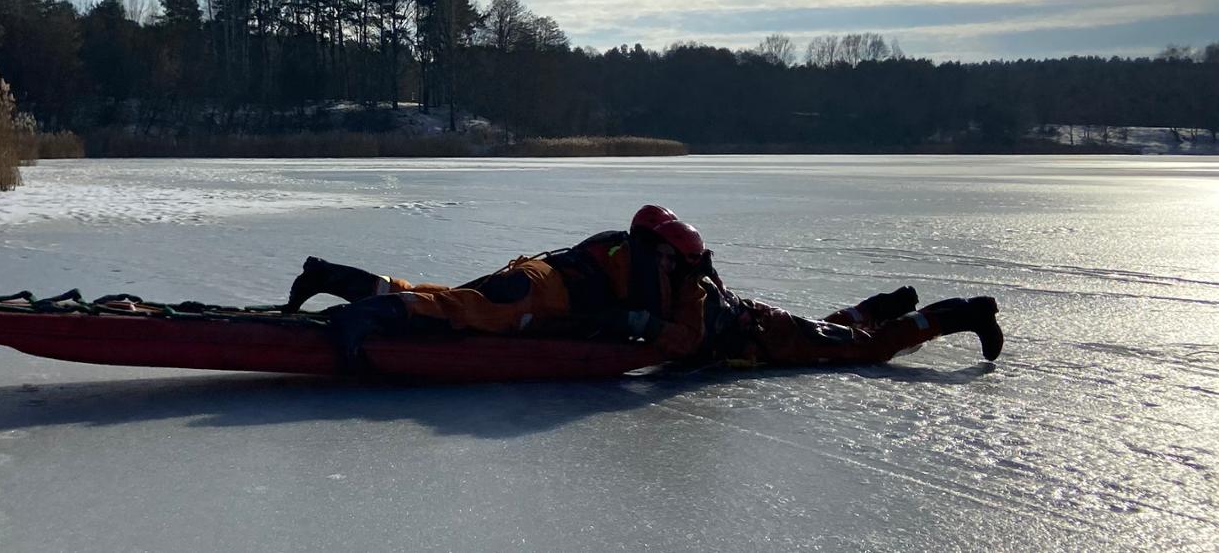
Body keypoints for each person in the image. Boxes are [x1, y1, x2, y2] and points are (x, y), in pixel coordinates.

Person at [281, 205, 1003, 370]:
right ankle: (360, 296)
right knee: (470, 309)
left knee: (855, 346)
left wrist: (637, 324)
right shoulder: (627, 268)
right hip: (550, 288)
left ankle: (946, 313)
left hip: (747, 332)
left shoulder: (672, 278)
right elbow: (671, 333)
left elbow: (683, 340)